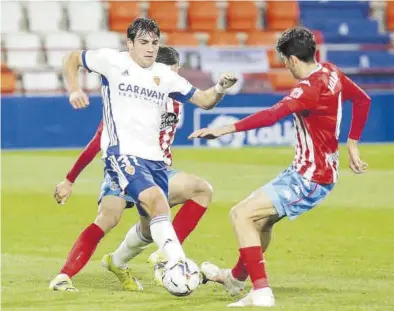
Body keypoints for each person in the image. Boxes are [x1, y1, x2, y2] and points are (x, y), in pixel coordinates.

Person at [49, 17, 237, 292]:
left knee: (158, 220)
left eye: (154, 43)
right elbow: (73, 58)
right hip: (122, 156)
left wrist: (220, 87)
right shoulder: (113, 62)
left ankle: (119, 261)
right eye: (144, 42)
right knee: (118, 214)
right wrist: (74, 89)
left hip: (155, 164)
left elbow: (206, 101)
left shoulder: (167, 82)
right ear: (130, 44)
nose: (150, 48)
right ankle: (174, 262)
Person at [189, 27, 371, 307]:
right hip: (306, 170)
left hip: (311, 176)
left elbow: (272, 115)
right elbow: (362, 99)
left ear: (293, 60)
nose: (286, 67)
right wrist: (353, 144)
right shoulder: (331, 71)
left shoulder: (307, 89)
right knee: (261, 221)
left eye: (285, 62)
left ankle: (261, 291)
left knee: (241, 214)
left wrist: (226, 128)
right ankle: (236, 279)